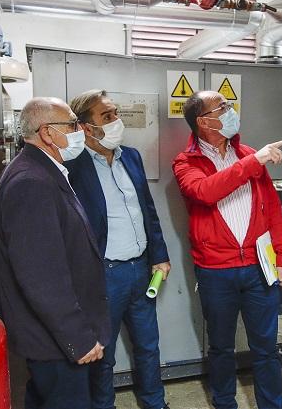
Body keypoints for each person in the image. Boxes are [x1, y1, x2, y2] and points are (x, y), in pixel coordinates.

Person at [172, 90, 282, 409]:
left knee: (266, 347)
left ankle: (272, 405)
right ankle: (225, 402)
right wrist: (255, 161)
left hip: (259, 268)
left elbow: (272, 209)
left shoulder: (248, 154)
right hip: (216, 272)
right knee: (222, 347)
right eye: (222, 107)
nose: (230, 111)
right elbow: (206, 191)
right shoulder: (186, 163)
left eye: (229, 105)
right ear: (203, 121)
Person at [0, 97, 111, 409]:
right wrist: (78, 338)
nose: (79, 130)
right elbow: (42, 276)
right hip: (54, 342)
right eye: (70, 125)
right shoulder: (31, 181)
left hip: (53, 338)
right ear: (47, 133)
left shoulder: (43, 170)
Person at [65, 89, 171, 409]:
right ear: (85, 126)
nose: (116, 121)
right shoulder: (73, 166)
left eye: (116, 114)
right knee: (104, 353)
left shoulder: (132, 156)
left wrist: (160, 255)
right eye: (107, 116)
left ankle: (155, 403)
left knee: (148, 347)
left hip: (141, 270)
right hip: (104, 275)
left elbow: (147, 210)